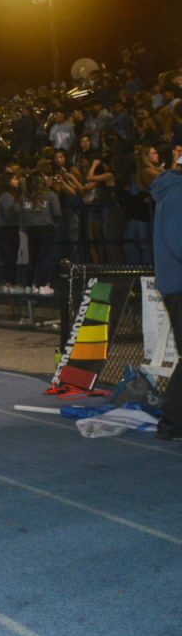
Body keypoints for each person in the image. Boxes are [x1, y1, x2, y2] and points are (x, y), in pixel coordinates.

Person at [151, 146, 181, 441]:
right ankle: (171, 423)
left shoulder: (172, 192)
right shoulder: (177, 194)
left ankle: (172, 423)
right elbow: (179, 241)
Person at [19, 172, 61, 295]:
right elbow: (57, 212)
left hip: (31, 230)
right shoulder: (50, 195)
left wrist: (25, 227)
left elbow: (21, 216)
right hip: (47, 229)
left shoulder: (23, 198)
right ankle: (43, 284)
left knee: (33, 258)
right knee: (46, 258)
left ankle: (29, 285)